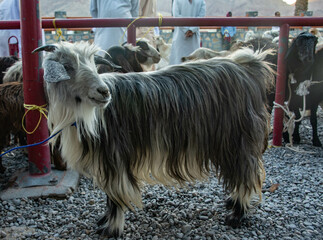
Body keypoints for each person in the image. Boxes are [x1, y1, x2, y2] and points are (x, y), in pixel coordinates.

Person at [169, 0, 206, 65]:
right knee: (193, 62)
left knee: (179, 62)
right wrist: (191, 29)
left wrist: (187, 30)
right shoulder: (201, 1)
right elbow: (201, 17)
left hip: (180, 35)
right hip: (191, 37)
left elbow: (176, 16)